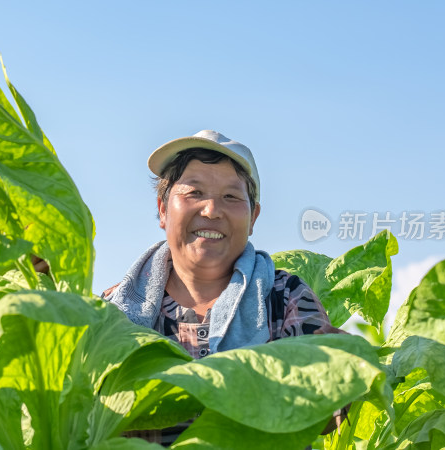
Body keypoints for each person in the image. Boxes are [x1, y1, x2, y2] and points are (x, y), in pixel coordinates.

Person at [100, 130, 346, 444]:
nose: (212, 210)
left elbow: (324, 414)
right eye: (194, 192)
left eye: (231, 197)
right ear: (163, 208)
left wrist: (341, 374)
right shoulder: (114, 310)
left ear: (254, 216)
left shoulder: (286, 297)